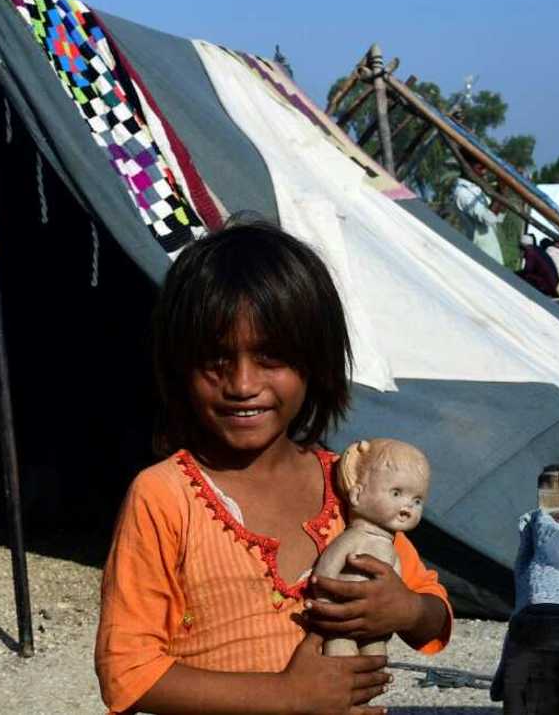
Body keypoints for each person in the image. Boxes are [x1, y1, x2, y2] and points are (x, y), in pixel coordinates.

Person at [95, 221, 452, 715]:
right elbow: (126, 673)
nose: (242, 383)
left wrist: (406, 610)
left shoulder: (350, 485)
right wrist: (287, 696)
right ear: (179, 366)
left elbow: (432, 608)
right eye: (216, 359)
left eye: (270, 358)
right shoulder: (165, 496)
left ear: (317, 362)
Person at [452, 164, 505, 264]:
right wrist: (500, 191)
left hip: (492, 254)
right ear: (467, 166)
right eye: (480, 168)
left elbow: (499, 218)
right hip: (484, 256)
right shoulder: (463, 193)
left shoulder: (476, 189)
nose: (484, 172)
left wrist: (503, 191)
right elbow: (489, 219)